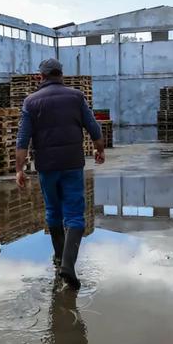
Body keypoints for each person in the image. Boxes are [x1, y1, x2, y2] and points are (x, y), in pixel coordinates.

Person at [15, 58, 104, 289]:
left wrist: (19, 169)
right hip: (73, 164)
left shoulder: (31, 102)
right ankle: (67, 265)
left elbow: (22, 140)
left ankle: (58, 257)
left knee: (53, 211)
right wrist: (99, 149)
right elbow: (94, 127)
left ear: (40, 77)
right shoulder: (76, 97)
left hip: (46, 166)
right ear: (61, 75)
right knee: (75, 216)